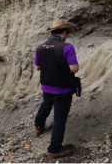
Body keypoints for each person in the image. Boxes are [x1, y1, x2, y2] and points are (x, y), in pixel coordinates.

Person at [34, 20, 80, 159]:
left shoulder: (40, 47)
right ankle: (54, 150)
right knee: (60, 118)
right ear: (64, 32)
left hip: (47, 85)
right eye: (68, 32)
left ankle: (38, 126)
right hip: (63, 89)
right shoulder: (67, 47)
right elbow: (74, 68)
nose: (68, 35)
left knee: (46, 105)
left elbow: (38, 66)